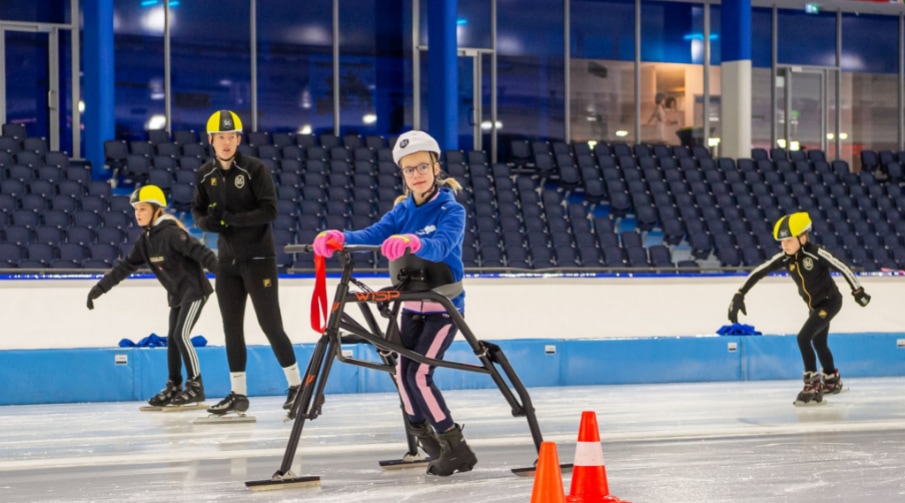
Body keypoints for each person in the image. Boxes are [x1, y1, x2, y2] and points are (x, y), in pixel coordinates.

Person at [312, 130, 476, 476]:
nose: (416, 175)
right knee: (402, 375)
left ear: (435, 167)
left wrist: (411, 241)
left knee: (417, 374)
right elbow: (373, 233)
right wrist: (341, 238)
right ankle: (426, 440)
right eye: (409, 170)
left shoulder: (451, 209)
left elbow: (442, 245)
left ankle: (455, 445)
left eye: (422, 167)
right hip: (412, 305)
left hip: (442, 308)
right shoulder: (402, 209)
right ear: (402, 175)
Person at [191, 110, 301, 416]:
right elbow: (197, 211)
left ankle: (297, 387)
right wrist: (207, 224)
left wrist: (231, 220)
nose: (226, 143)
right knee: (231, 328)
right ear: (210, 140)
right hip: (227, 263)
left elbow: (270, 211)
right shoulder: (204, 175)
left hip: (259, 258)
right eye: (221, 137)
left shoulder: (255, 170)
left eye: (232, 137)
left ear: (238, 139)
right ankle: (238, 394)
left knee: (270, 325)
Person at [87, 185, 217, 407]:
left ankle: (196, 386)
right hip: (177, 295)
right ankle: (174, 385)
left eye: (143, 209)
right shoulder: (146, 241)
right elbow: (125, 266)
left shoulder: (172, 234)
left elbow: (201, 253)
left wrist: (226, 275)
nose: (138, 213)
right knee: (173, 341)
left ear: (157, 210)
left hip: (195, 291)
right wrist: (99, 289)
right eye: (136, 209)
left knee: (181, 335)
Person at [727, 212, 871, 405]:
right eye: (781, 241)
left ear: (802, 238)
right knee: (819, 343)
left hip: (830, 302)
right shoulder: (786, 258)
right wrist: (739, 294)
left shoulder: (816, 252)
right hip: (815, 307)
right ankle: (831, 379)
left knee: (803, 337)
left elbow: (842, 266)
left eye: (788, 240)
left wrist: (858, 290)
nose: (784, 245)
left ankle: (812, 384)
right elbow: (760, 271)